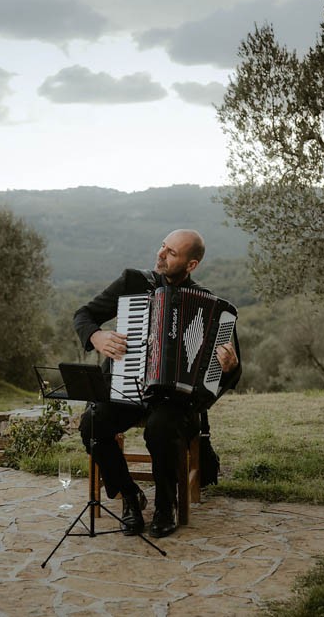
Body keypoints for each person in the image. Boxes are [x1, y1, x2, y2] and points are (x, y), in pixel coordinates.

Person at [73, 228, 241, 539]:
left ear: (191, 265)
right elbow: (84, 315)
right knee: (93, 424)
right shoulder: (133, 283)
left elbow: (230, 371)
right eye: (162, 247)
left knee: (161, 428)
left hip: (175, 399)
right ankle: (130, 496)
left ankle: (167, 505)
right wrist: (98, 337)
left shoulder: (212, 307)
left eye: (171, 253)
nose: (160, 255)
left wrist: (228, 366)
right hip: (127, 387)